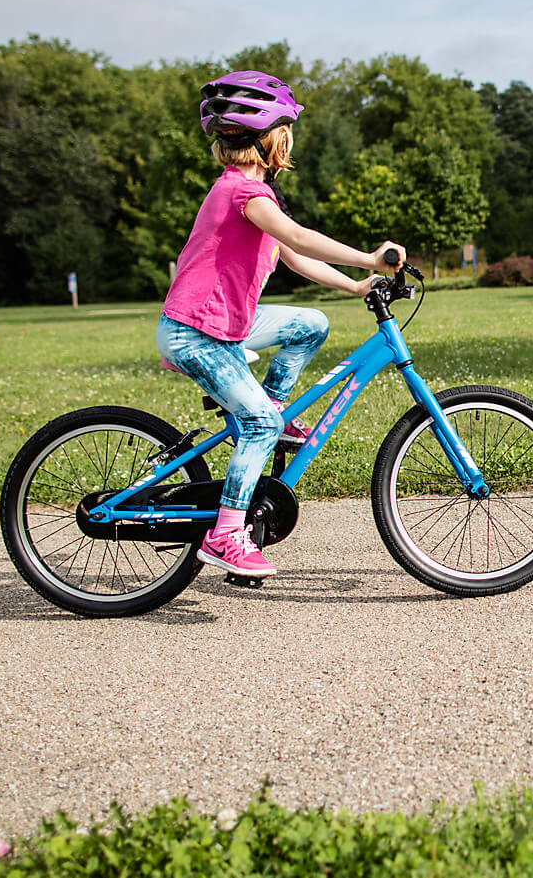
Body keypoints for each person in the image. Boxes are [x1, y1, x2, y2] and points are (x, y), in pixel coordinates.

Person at [158, 70, 406, 579]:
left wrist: (357, 286)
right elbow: (298, 234)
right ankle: (226, 534)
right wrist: (369, 257)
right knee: (260, 427)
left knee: (309, 323)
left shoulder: (252, 197)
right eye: (286, 134)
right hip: (195, 333)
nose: (288, 144)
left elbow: (293, 256)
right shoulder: (243, 196)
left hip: (225, 325)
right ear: (271, 139)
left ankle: (272, 406)